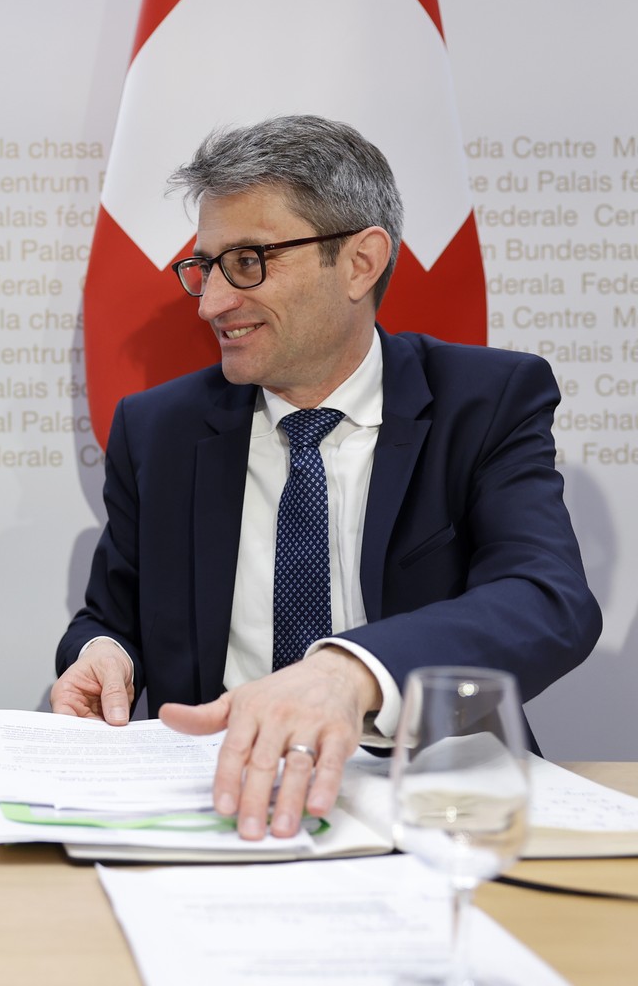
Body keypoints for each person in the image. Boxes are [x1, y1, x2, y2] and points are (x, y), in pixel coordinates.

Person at [52, 115, 600, 840]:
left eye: (248, 261)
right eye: (205, 266)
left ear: (361, 261)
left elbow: (545, 600)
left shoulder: (486, 401)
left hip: (430, 803)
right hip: (219, 805)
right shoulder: (160, 428)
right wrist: (103, 656)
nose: (213, 301)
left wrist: (350, 672)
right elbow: (110, 618)